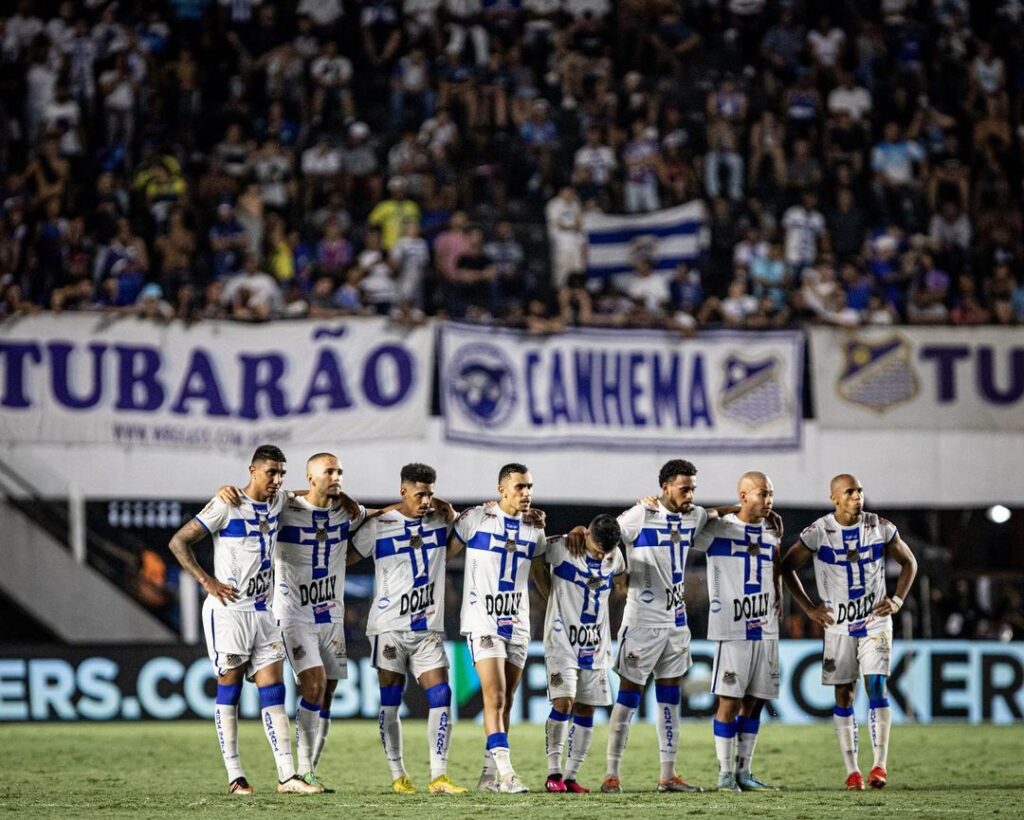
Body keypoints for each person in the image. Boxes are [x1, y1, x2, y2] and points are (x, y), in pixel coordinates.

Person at [167, 445, 322, 795]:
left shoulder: (279, 501)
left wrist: (338, 498)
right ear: (252, 470)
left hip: (263, 613)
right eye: (271, 472)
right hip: (229, 612)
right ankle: (235, 776)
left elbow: (307, 495)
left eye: (281, 473)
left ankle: (287, 776)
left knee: (274, 690)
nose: (277, 479)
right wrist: (207, 581)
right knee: (231, 688)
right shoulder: (227, 504)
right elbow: (178, 542)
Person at [216, 453, 370, 792]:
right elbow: (256, 499)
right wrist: (230, 493)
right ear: (311, 478)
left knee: (326, 692)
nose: (337, 476)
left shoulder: (345, 511)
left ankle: (308, 769)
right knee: (312, 684)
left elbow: (380, 516)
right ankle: (296, 771)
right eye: (329, 471)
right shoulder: (284, 507)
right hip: (292, 614)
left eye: (340, 471)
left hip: (331, 615)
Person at [781, 474, 918, 791]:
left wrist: (897, 599)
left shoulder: (879, 526)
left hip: (875, 621)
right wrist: (809, 608)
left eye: (859, 490)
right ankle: (852, 770)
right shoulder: (819, 531)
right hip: (837, 623)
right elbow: (786, 566)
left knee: (877, 686)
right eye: (850, 491)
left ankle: (879, 766)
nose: (858, 496)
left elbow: (909, 562)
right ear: (835, 498)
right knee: (844, 694)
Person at [350, 463, 467, 795]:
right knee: (391, 698)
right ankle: (398, 773)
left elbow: (459, 526)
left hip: (427, 628)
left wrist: (446, 508)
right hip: (388, 627)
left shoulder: (440, 521)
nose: (427, 500)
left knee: (441, 694)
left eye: (431, 493)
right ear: (403, 491)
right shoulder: (379, 526)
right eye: (420, 494)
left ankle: (439, 776)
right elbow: (344, 559)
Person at [601, 459, 708, 794]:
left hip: (677, 620)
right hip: (642, 620)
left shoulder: (696, 516)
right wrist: (619, 577)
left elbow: (717, 515)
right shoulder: (640, 515)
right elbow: (604, 537)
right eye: (684, 487)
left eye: (693, 487)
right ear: (665, 487)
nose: (690, 493)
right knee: (630, 695)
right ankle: (611, 773)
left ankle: (667, 774)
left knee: (670, 695)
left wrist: (748, 507)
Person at [448, 463, 547, 793]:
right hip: (483, 622)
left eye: (529, 487)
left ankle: (488, 776)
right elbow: (442, 554)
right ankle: (506, 773)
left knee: (507, 700)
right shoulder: (477, 519)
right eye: (519, 487)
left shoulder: (535, 529)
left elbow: (540, 576)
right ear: (502, 489)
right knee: (496, 696)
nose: (526, 493)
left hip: (517, 623)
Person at [692, 472, 783, 792]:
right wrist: (730, 508)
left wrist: (780, 594)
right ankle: (725, 773)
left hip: (766, 628)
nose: (768, 501)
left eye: (770, 494)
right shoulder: (720, 530)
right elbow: (693, 519)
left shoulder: (772, 530)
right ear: (743, 496)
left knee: (755, 702)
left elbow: (775, 569)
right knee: (729, 702)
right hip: (732, 629)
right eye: (761, 494)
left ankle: (744, 771)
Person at [531, 514, 625, 794]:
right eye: (597, 549)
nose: (601, 555)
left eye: (605, 552)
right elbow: (535, 557)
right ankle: (554, 773)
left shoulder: (614, 555)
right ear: (586, 537)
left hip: (596, 645)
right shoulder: (562, 546)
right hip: (561, 640)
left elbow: (620, 582)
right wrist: (550, 597)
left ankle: (571, 777)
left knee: (586, 709)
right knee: (564, 703)